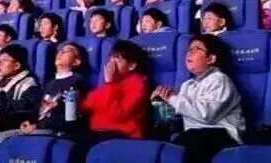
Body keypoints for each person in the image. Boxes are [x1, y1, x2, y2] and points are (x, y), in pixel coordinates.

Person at [152, 35, 245, 163]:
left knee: (190, 141)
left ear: (211, 59)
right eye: (189, 50)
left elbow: (206, 115)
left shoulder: (220, 79)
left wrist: (172, 98)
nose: (189, 53)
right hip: (193, 136)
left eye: (196, 49)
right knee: (166, 142)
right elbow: (181, 112)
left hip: (222, 135)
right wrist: (162, 102)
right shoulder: (187, 85)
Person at [81, 40, 149, 140]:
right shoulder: (113, 82)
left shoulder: (138, 84)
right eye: (111, 57)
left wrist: (110, 83)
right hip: (97, 132)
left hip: (121, 135)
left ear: (131, 65)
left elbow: (117, 116)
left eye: (117, 59)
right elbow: (87, 104)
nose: (111, 62)